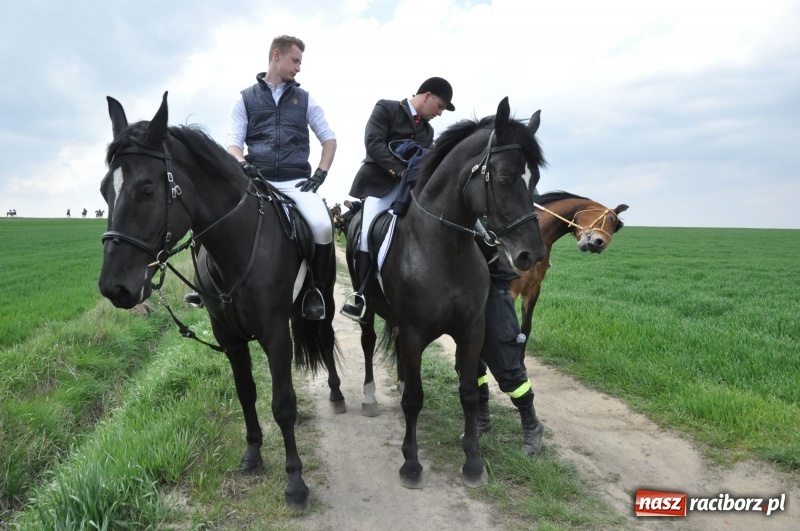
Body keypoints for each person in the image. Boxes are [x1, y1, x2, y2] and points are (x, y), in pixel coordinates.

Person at [184, 35, 337, 319]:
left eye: (300, 63)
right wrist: (242, 165)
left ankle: (315, 291)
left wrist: (320, 174)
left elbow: (329, 138)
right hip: (255, 180)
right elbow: (233, 143)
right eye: (295, 60)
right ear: (276, 55)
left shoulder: (304, 99)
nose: (298, 68)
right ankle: (202, 284)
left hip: (296, 181)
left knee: (322, 226)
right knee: (209, 216)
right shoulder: (245, 98)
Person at [340, 77, 455, 320]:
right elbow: (373, 143)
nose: (440, 113)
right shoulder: (387, 108)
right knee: (366, 232)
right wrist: (401, 171)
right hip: (381, 186)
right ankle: (361, 296)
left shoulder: (428, 130)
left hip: (411, 190)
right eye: (441, 106)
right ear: (427, 95)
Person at [468, 236, 545, 456]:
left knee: (507, 366)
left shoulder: (490, 216)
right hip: (466, 294)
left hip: (494, 292)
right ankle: (482, 418)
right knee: (470, 364)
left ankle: (532, 425)